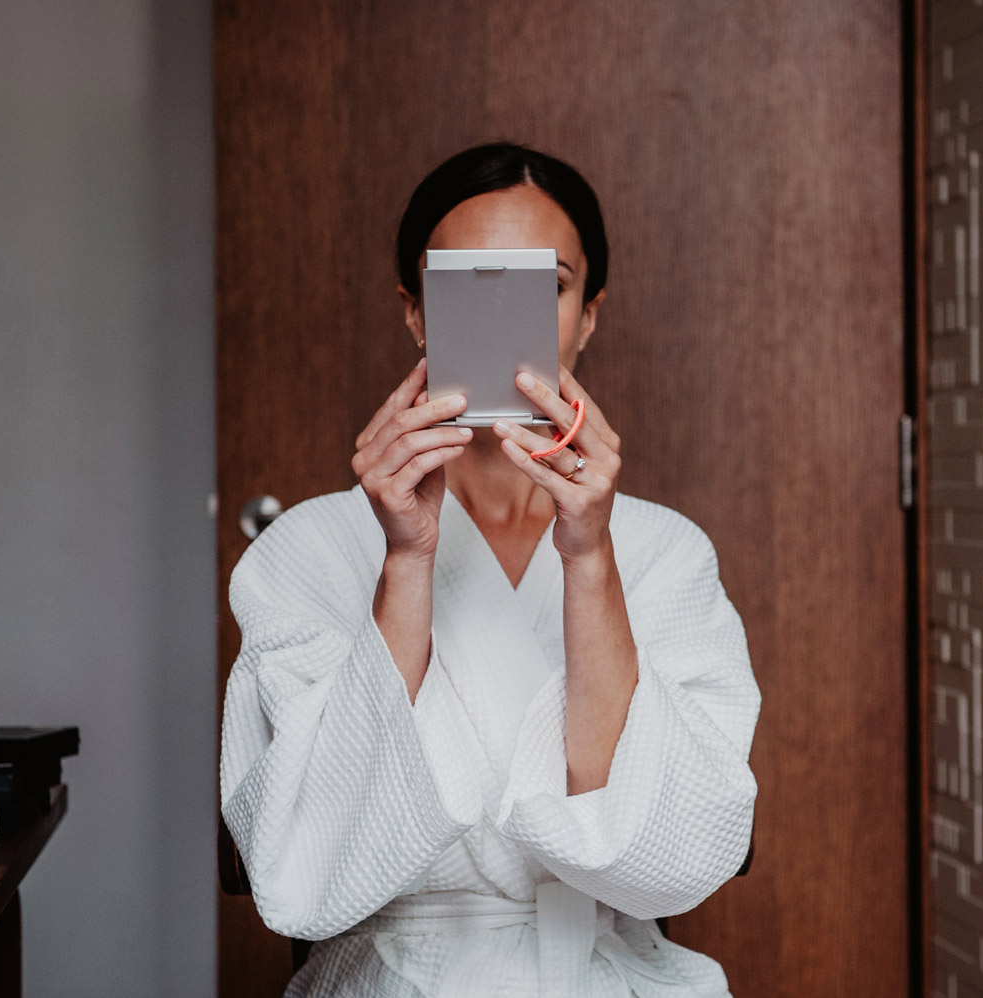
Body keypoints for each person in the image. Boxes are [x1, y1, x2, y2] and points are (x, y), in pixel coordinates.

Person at [220, 143, 760, 998]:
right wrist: (406, 559)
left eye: (544, 289)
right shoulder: (309, 548)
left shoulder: (664, 553)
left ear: (589, 314)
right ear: (416, 312)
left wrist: (589, 557)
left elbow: (674, 845)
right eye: (473, 289)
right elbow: (301, 858)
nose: (513, 322)